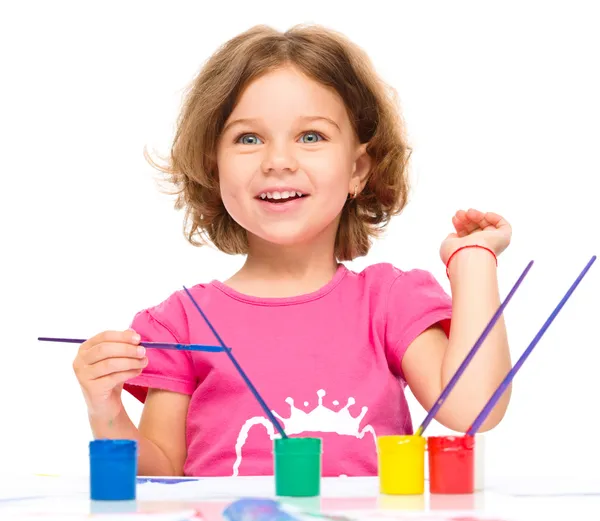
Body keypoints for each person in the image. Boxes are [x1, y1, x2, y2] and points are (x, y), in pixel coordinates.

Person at [72, 24, 512, 478]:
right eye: (248, 138)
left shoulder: (388, 303)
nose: (278, 160)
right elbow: (159, 475)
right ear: (213, 165)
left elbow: (473, 409)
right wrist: (104, 406)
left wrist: (474, 261)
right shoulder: (181, 323)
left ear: (358, 169)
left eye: (311, 136)